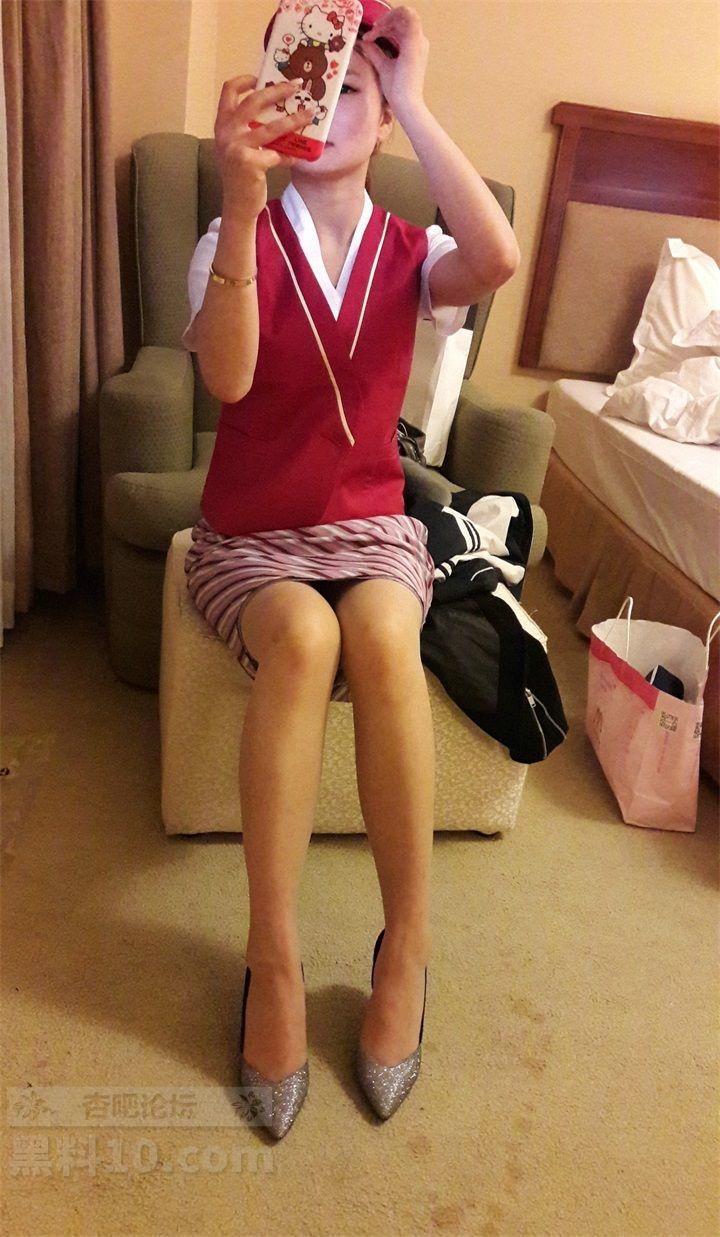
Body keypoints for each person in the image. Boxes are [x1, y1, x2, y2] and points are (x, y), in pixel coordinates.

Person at [182, 1, 520, 1137]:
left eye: (351, 93)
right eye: (303, 86)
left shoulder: (412, 254)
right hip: (251, 535)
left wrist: (411, 95)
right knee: (308, 636)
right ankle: (271, 959)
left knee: (380, 632)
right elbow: (228, 382)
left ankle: (405, 948)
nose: (324, 108)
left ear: (380, 127)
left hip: (369, 525)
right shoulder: (229, 237)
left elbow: (499, 257)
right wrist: (240, 202)